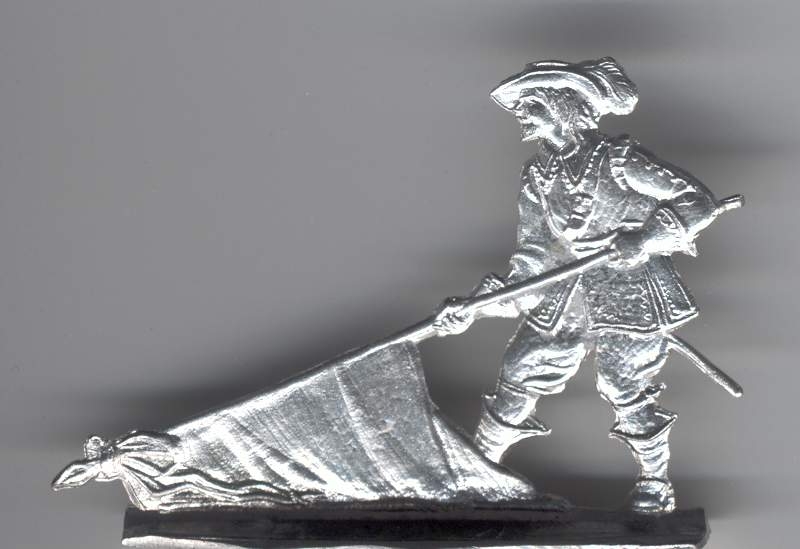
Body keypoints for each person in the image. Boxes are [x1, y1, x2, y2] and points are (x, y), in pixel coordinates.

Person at [433, 58, 720, 513]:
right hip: (565, 291)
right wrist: (477, 306)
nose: (520, 113)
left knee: (622, 383)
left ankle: (655, 482)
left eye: (531, 103)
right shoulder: (537, 174)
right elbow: (533, 256)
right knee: (522, 366)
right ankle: (477, 471)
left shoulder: (620, 161)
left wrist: (645, 239)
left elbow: (697, 201)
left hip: (631, 290)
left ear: (562, 106)